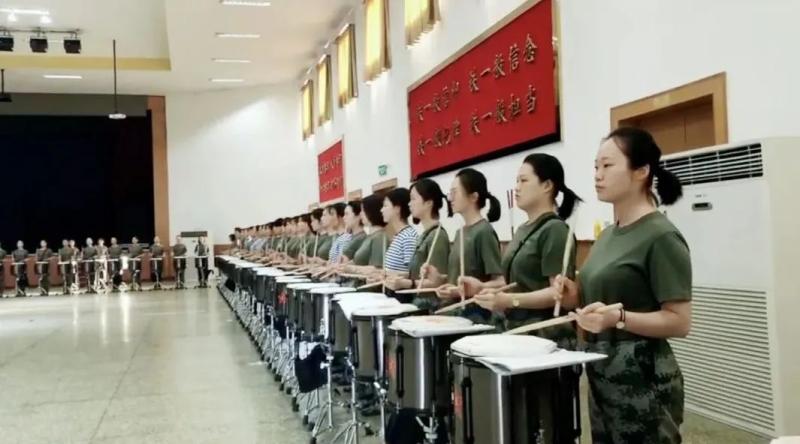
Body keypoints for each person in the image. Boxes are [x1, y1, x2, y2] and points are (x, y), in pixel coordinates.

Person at [556, 127, 691, 443]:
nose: (597, 175)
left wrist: (618, 318)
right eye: (595, 166)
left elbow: (680, 321)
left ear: (642, 171)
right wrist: (573, 293)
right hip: (603, 372)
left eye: (608, 165)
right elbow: (597, 300)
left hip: (643, 378)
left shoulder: (660, 236)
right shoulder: (607, 235)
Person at [472, 153, 581, 343]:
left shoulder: (555, 230)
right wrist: (483, 287)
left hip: (544, 334)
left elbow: (557, 292)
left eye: (524, 181)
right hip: (516, 329)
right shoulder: (523, 229)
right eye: (517, 181)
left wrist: (509, 300)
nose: (517, 188)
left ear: (547, 185)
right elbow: (515, 281)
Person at [425, 168, 504, 323]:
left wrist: (478, 287)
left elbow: (501, 282)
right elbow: (458, 280)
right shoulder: (460, 232)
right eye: (450, 193)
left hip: (476, 316)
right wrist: (439, 279)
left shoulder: (484, 231)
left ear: (473, 196)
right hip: (454, 313)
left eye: (455, 192)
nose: (450, 198)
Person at [385, 179, 452, 311]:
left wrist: (407, 283)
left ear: (428, 203)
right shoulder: (424, 235)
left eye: (414, 199)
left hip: (430, 308)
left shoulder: (437, 236)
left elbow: (437, 282)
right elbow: (415, 274)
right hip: (418, 303)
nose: (409, 204)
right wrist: (389, 275)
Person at [381, 188, 418, 275]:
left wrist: (385, 274)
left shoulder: (408, 237)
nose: (381, 210)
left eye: (385, 206)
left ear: (397, 209)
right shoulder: (398, 236)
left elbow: (412, 274)